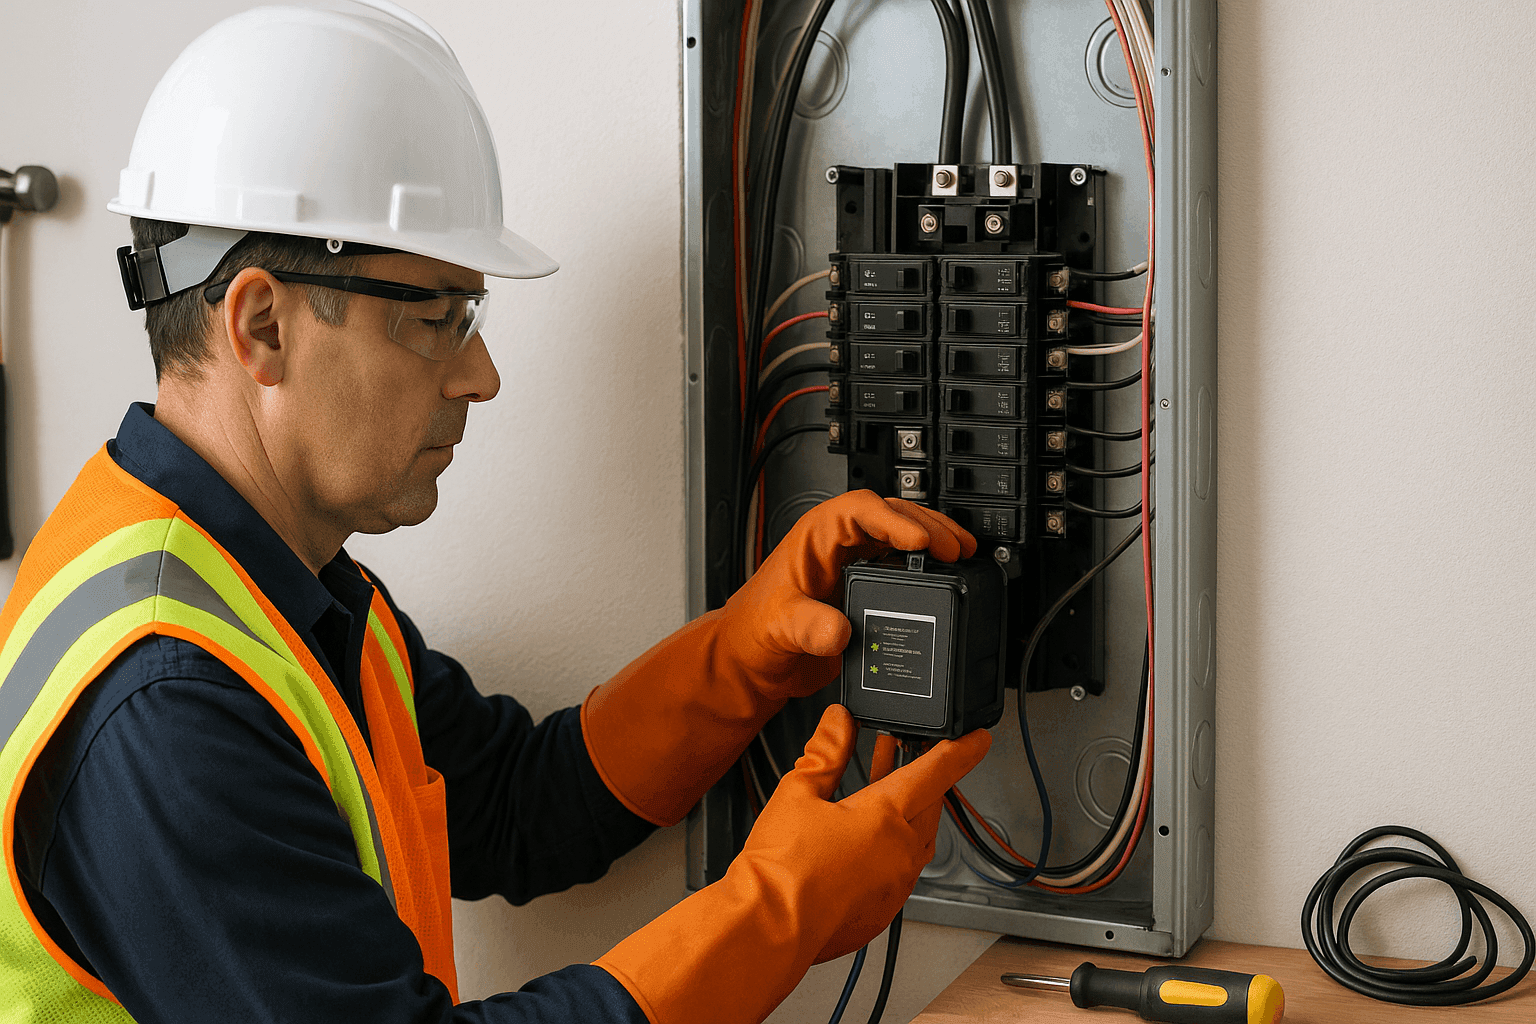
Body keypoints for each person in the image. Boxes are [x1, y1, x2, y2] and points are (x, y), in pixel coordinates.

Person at [0, 3, 991, 1022]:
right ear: (262, 324)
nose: (481, 375)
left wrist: (737, 655)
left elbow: (516, 804)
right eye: (436, 319)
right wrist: (778, 909)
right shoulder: (165, 700)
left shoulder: (272, 584)